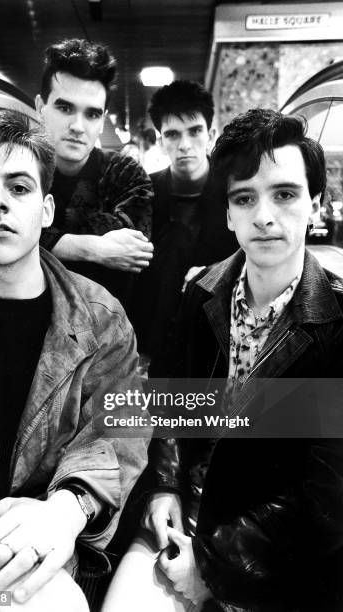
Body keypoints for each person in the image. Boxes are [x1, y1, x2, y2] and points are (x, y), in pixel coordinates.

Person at [102, 109, 343, 612]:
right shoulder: (202, 294)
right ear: (229, 214)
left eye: (285, 194)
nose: (264, 216)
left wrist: (211, 565)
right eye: (244, 198)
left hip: (276, 557)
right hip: (183, 521)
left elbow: (326, 499)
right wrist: (164, 486)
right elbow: (170, 399)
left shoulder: (337, 323)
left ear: (315, 204)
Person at [0, 110, 148, 610]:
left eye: (19, 187)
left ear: (48, 209)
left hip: (57, 547)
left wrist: (65, 512)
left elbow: (118, 432)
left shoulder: (101, 319)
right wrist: (16, 566)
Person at [35, 38, 154, 310]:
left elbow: (135, 246)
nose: (77, 126)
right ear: (41, 107)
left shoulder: (125, 172)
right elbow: (3, 234)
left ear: (102, 121)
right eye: (65, 108)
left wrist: (43, 236)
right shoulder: (19, 173)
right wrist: (96, 249)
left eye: (91, 114)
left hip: (109, 334)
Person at [133, 80, 237, 357]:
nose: (185, 145)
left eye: (194, 131)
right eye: (173, 135)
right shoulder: (143, 192)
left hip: (218, 337)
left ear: (211, 133)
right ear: (160, 139)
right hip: (154, 342)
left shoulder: (235, 191)